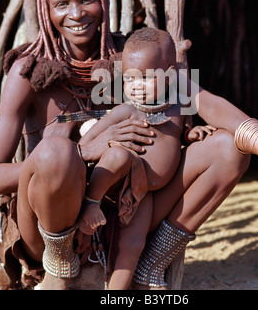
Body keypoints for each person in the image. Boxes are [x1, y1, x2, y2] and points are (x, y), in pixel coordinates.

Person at [0, 0, 258, 291]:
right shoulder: (28, 71)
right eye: (62, 4)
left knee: (228, 149)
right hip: (48, 219)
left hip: (122, 212)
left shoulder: (135, 58)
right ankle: (60, 269)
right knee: (57, 152)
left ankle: (146, 265)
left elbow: (200, 98)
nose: (77, 13)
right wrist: (80, 152)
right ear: (46, 9)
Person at [77, 27, 216, 289]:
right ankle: (90, 203)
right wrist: (108, 141)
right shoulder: (124, 111)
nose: (137, 86)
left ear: (169, 77)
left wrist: (191, 134)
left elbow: (176, 137)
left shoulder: (178, 107)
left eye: (146, 78)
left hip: (144, 195)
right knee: (118, 155)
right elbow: (84, 145)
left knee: (132, 245)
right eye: (130, 79)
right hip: (120, 186)